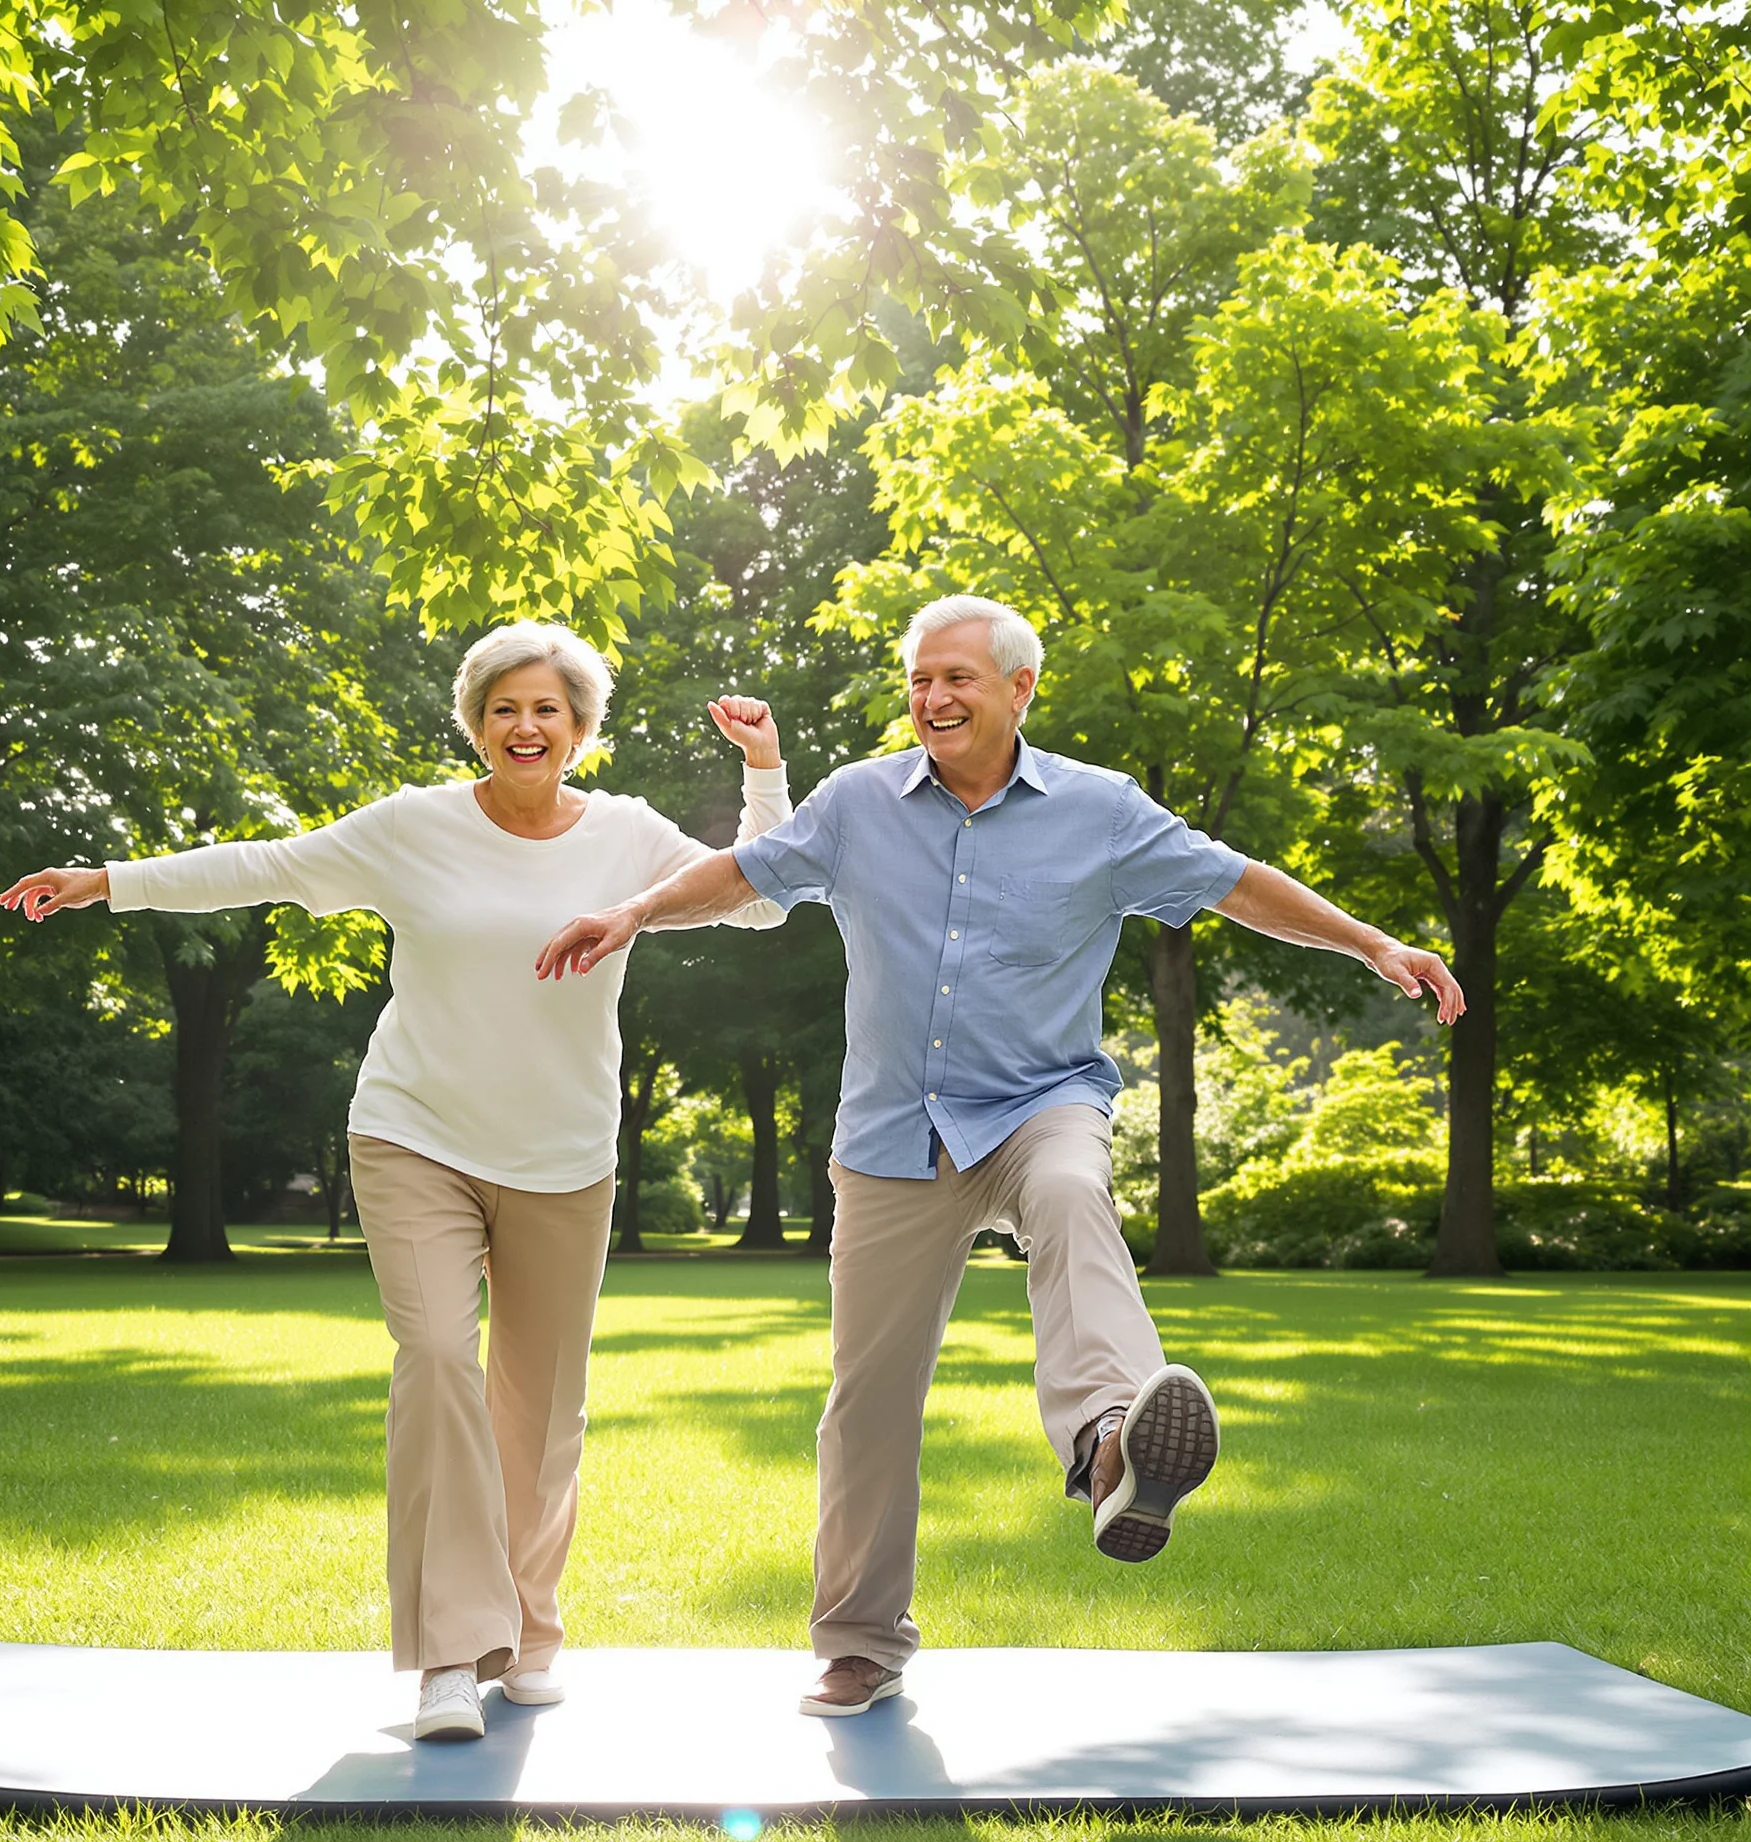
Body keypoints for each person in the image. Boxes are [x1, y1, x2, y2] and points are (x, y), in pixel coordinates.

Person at [536, 593, 1464, 1719]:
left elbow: (1232, 881)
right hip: (890, 1131)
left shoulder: (1099, 811)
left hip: (1039, 1103)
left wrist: (1369, 939)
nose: (931, 699)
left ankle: (1112, 1447)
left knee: (1074, 1193)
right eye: (919, 680)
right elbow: (747, 870)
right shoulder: (858, 803)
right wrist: (632, 911)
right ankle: (860, 1640)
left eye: (956, 679)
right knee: (867, 1397)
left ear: (1019, 688)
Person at [0, 624, 792, 1741]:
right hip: (414, 1134)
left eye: (548, 709)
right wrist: (108, 881)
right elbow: (268, 862)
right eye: (504, 707)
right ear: (476, 722)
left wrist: (763, 772)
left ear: (578, 728)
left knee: (542, 1410)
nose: (526, 725)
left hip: (564, 1157)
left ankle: (527, 1628)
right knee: (432, 1362)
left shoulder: (625, 837)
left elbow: (756, 896)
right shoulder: (415, 825)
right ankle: (446, 1659)